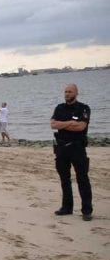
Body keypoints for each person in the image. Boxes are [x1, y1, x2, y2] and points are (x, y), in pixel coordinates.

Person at [50, 83, 92, 221]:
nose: (67, 94)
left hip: (77, 148)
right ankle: (66, 207)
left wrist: (63, 124)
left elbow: (81, 127)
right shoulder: (59, 108)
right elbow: (53, 124)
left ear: (76, 93)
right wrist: (70, 123)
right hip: (61, 148)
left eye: (70, 91)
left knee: (82, 178)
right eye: (65, 91)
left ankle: (86, 210)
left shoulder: (83, 108)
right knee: (64, 179)